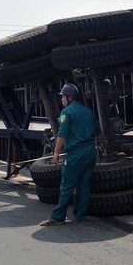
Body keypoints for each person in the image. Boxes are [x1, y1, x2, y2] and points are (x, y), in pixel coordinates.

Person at [40, 83, 104, 226]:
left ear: (69, 97)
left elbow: (62, 134)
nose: (62, 99)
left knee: (67, 186)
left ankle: (58, 217)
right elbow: (99, 135)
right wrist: (104, 145)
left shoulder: (66, 112)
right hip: (90, 153)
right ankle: (80, 215)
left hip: (76, 154)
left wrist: (56, 152)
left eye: (63, 96)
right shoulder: (88, 111)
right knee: (84, 184)